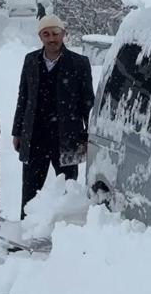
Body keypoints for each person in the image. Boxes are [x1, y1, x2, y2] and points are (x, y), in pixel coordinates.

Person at [12, 15, 94, 220]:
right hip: (35, 135)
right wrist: (17, 131)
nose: (51, 38)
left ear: (64, 34)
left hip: (67, 137)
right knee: (30, 189)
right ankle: (26, 230)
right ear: (40, 37)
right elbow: (23, 97)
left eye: (55, 33)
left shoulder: (79, 63)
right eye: (46, 34)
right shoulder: (30, 60)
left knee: (68, 189)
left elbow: (88, 103)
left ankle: (65, 231)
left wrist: (87, 135)